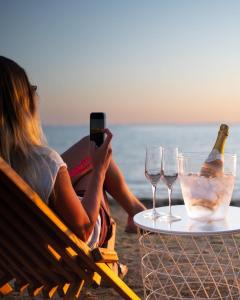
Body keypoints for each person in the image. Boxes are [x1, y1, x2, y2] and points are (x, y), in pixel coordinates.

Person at [0, 56, 146, 252]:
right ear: (20, 106)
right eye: (31, 89)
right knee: (95, 164)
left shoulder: (13, 164)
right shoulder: (44, 162)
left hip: (19, 247)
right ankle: (136, 213)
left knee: (90, 148)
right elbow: (84, 230)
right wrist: (99, 172)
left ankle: (135, 211)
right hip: (68, 240)